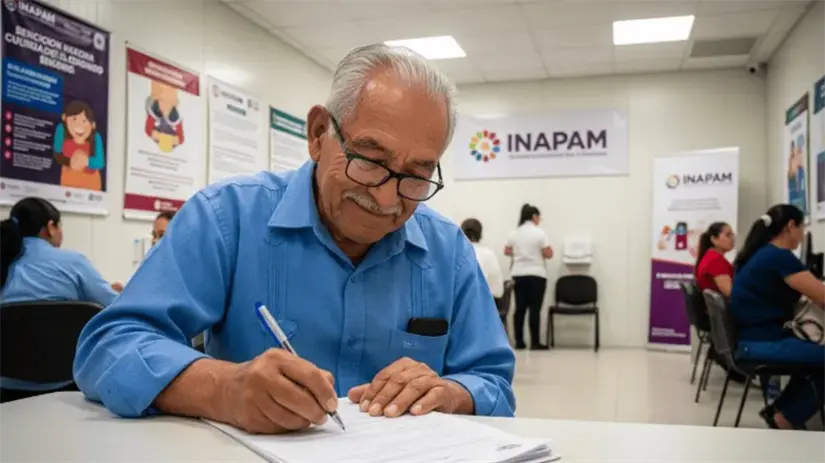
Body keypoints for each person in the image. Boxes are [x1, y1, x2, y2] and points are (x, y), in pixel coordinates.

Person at [73, 44, 516, 434]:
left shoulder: (448, 252)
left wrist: (449, 393)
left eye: (416, 177)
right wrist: (223, 389)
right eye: (369, 159)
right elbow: (109, 345)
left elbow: (493, 382)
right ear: (318, 133)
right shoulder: (227, 219)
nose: (385, 197)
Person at [0, 197, 119, 400]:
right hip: (67, 387)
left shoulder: (4, 264)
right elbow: (117, 308)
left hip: (5, 388)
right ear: (50, 227)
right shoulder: (73, 263)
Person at [730, 204, 825, 429]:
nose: (802, 235)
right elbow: (821, 295)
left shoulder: (760, 253)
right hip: (761, 343)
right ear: (790, 226)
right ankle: (788, 418)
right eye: (802, 227)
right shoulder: (778, 256)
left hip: (752, 340)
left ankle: (780, 411)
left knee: (815, 361)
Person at [504, 204, 552, 350]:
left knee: (519, 309)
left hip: (518, 274)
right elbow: (549, 253)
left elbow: (506, 251)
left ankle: (519, 342)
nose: (539, 220)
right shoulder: (540, 233)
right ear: (534, 217)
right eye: (539, 217)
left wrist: (519, 254)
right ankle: (535, 342)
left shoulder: (514, 233)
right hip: (537, 275)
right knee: (535, 309)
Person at [461, 218, 503, 299]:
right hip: (493, 302)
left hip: (472, 302)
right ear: (480, 234)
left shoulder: (459, 253)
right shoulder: (489, 253)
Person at [694, 222, 735, 297]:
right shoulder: (715, 261)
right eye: (728, 235)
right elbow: (730, 293)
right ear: (714, 239)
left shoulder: (711, 256)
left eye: (732, 234)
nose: (732, 238)